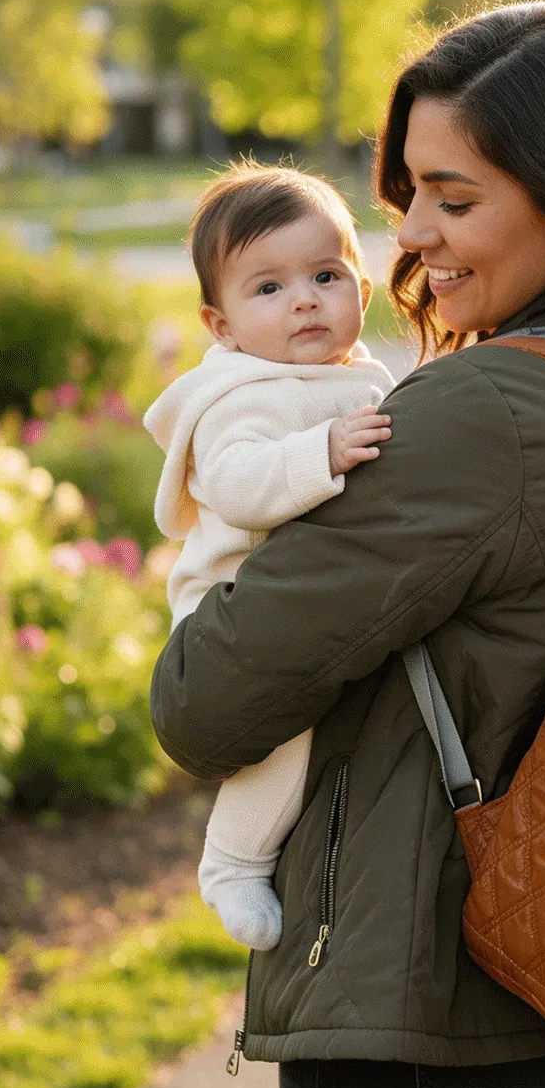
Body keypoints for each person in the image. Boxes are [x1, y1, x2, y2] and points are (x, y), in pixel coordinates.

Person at [150, 0, 545, 1088]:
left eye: (456, 197)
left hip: (420, 1002)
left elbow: (202, 701)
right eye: (408, 196)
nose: (412, 236)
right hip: (537, 976)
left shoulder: (487, 413)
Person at [145, 162, 391, 958]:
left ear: (363, 284)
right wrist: (320, 451)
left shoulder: (357, 377)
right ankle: (232, 861)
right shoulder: (242, 396)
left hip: (311, 598)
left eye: (326, 275)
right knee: (285, 734)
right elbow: (239, 485)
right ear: (221, 327)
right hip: (232, 604)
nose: (305, 299)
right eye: (269, 288)